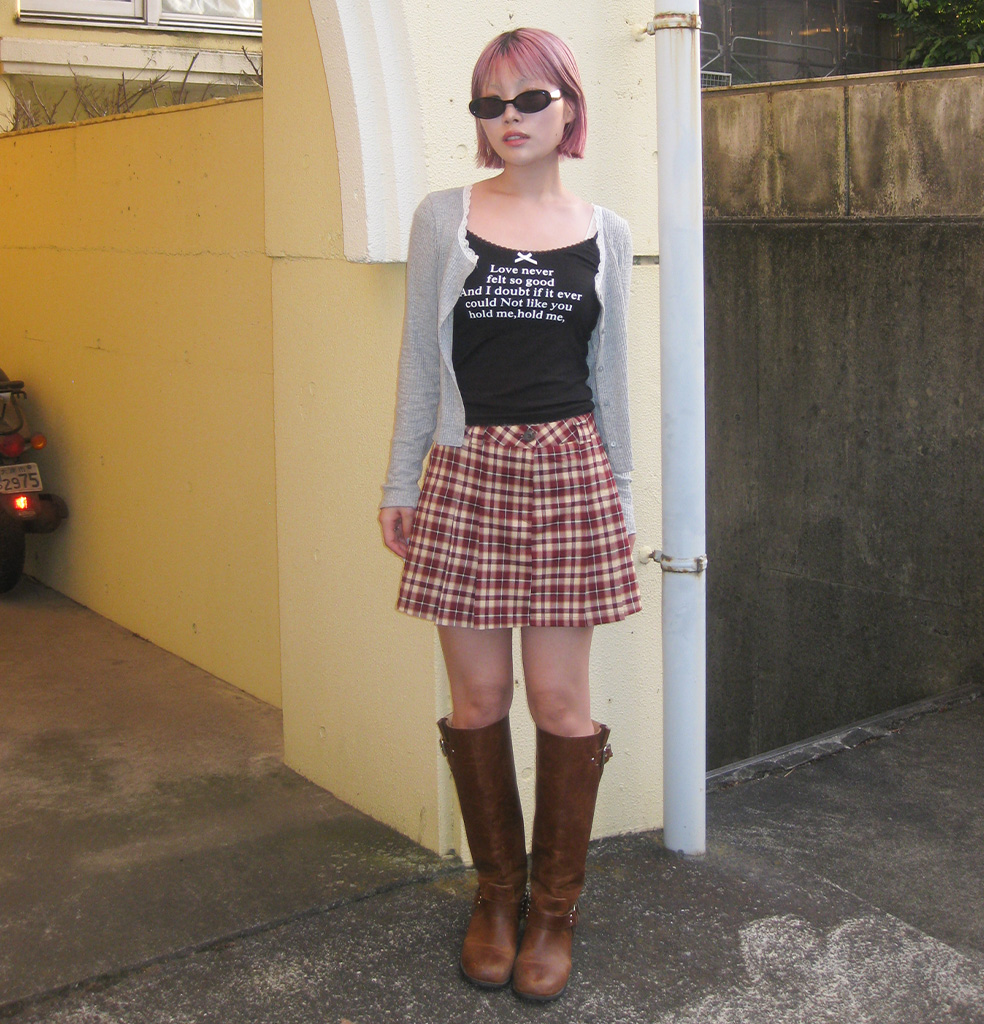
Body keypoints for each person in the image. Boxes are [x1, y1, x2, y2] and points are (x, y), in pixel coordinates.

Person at [378, 27, 640, 1003]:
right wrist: (400, 483)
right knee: (479, 699)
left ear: (569, 106)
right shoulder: (444, 218)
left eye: (530, 98)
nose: (509, 118)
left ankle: (554, 911)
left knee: (560, 704)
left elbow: (610, 377)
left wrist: (621, 497)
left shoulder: (607, 232)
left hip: (570, 470)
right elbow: (420, 358)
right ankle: (497, 896)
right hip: (468, 469)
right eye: (490, 103)